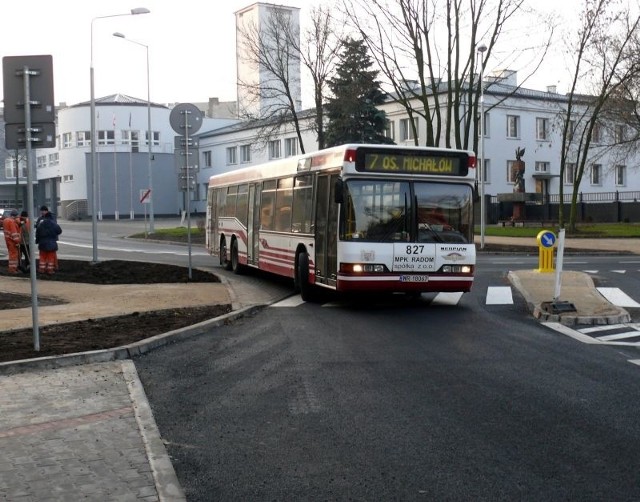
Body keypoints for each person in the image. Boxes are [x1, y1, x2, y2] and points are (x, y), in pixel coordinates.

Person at [35, 209, 62, 274]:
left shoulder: (41, 224)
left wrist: (37, 241)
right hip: (52, 243)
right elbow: (59, 231)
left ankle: (42, 269)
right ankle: (50, 270)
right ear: (50, 217)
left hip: (42, 243)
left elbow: (37, 233)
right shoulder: (54, 224)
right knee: (51, 258)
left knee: (42, 257)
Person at [3, 209, 21, 274]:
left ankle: (13, 268)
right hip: (12, 242)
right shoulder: (12, 222)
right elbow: (14, 234)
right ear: (15, 216)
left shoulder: (6, 221)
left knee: (11, 255)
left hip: (8, 240)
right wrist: (17, 242)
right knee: (14, 255)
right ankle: (12, 269)